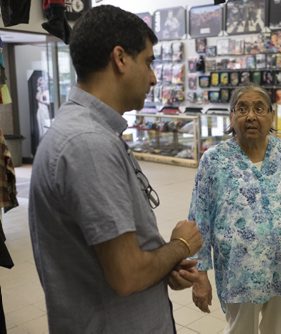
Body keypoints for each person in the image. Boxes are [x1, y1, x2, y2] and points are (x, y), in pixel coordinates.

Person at [28, 5, 202, 333]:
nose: (153, 77)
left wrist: (164, 264)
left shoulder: (90, 132)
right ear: (120, 58)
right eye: (148, 62)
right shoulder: (88, 143)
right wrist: (180, 245)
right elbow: (128, 274)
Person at [186, 84, 281, 333]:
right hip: (240, 269)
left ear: (271, 115)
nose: (251, 116)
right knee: (240, 329)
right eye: (242, 108)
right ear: (231, 117)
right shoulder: (214, 160)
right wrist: (199, 274)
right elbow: (198, 218)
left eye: (259, 108)